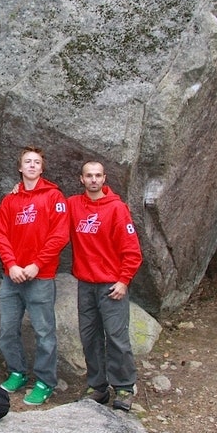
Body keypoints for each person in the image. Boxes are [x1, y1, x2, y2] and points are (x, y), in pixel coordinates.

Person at [0, 145, 69, 405]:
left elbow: (59, 235)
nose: (32, 165)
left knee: (44, 332)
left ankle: (45, 381)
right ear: (20, 167)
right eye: (27, 161)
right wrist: (11, 264)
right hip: (12, 277)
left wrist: (37, 264)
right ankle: (17, 371)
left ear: (42, 167)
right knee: (7, 330)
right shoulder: (10, 200)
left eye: (37, 161)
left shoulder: (54, 197)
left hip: (41, 276)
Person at [68, 161, 142, 411]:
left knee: (117, 337)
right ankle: (97, 386)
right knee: (89, 337)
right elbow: (48, 209)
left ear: (104, 178)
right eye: (89, 176)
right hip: (85, 284)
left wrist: (123, 281)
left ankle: (124, 387)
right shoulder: (73, 206)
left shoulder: (117, 209)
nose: (93, 180)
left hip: (112, 285)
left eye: (98, 176)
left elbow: (132, 251)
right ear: (81, 179)